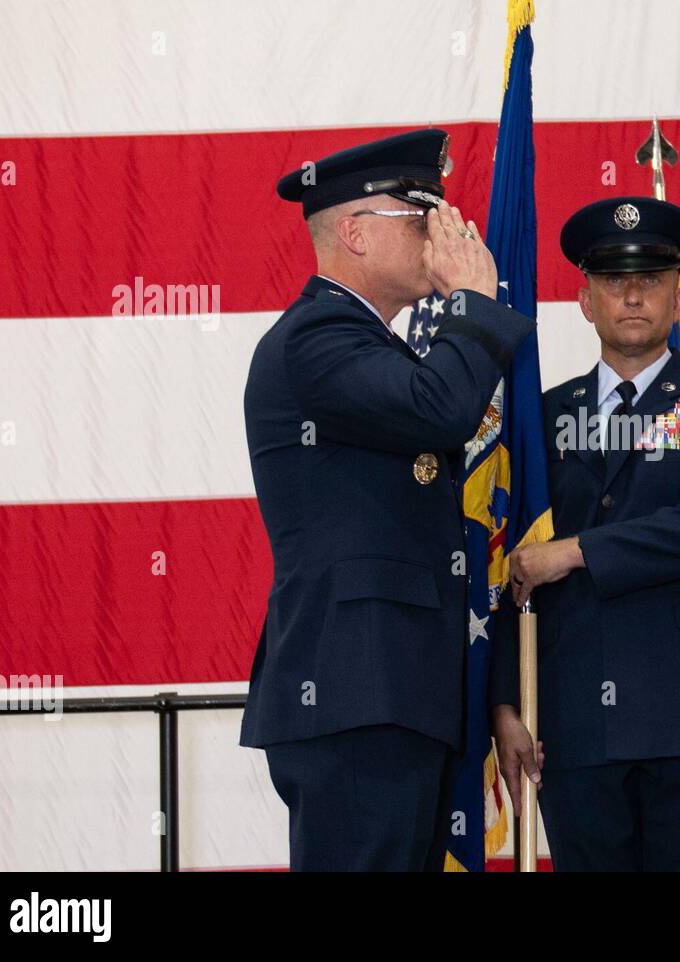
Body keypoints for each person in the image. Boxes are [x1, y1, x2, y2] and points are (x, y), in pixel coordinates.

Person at [239, 128, 536, 871]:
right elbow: (441, 408)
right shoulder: (317, 337)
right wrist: (471, 299)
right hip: (351, 691)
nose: (441, 231)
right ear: (354, 233)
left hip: (395, 692)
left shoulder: (369, 343)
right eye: (419, 215)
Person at [490, 197, 680, 871]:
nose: (633, 294)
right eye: (614, 279)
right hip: (575, 728)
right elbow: (504, 559)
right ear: (584, 300)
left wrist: (578, 551)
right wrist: (502, 702)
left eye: (652, 278)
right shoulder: (541, 421)